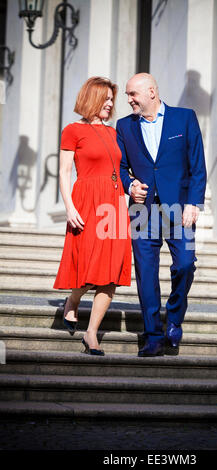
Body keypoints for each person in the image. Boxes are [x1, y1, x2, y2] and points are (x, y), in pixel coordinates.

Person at [116, 73, 206, 357]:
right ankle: (153, 335)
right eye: (128, 95)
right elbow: (118, 167)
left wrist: (194, 203)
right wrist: (131, 186)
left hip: (179, 208)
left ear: (151, 91)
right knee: (146, 274)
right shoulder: (124, 126)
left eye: (132, 94)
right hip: (143, 213)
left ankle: (174, 319)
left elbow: (197, 165)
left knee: (185, 265)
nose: (128, 99)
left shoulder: (185, 118)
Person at [53, 77, 131, 356]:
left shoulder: (115, 133)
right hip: (86, 201)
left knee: (110, 274)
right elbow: (63, 172)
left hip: (113, 205)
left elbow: (122, 170)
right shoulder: (73, 130)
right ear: (91, 99)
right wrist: (69, 207)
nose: (110, 104)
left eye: (112, 100)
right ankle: (72, 301)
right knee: (86, 269)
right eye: (105, 99)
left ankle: (92, 334)